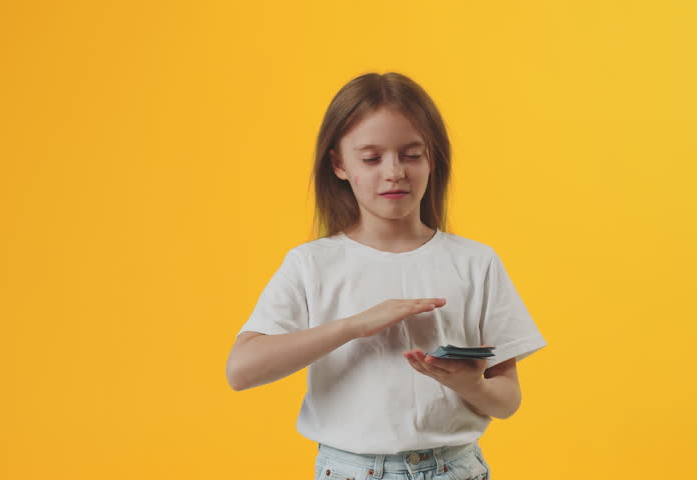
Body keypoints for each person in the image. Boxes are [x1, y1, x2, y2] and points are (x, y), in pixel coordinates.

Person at [226, 72, 547, 480]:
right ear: (339, 164)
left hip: (454, 468)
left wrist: (470, 385)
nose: (394, 172)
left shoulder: (475, 262)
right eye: (372, 158)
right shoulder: (311, 264)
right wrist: (355, 326)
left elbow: (506, 402)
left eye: (411, 154)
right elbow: (241, 371)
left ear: (434, 158)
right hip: (349, 470)